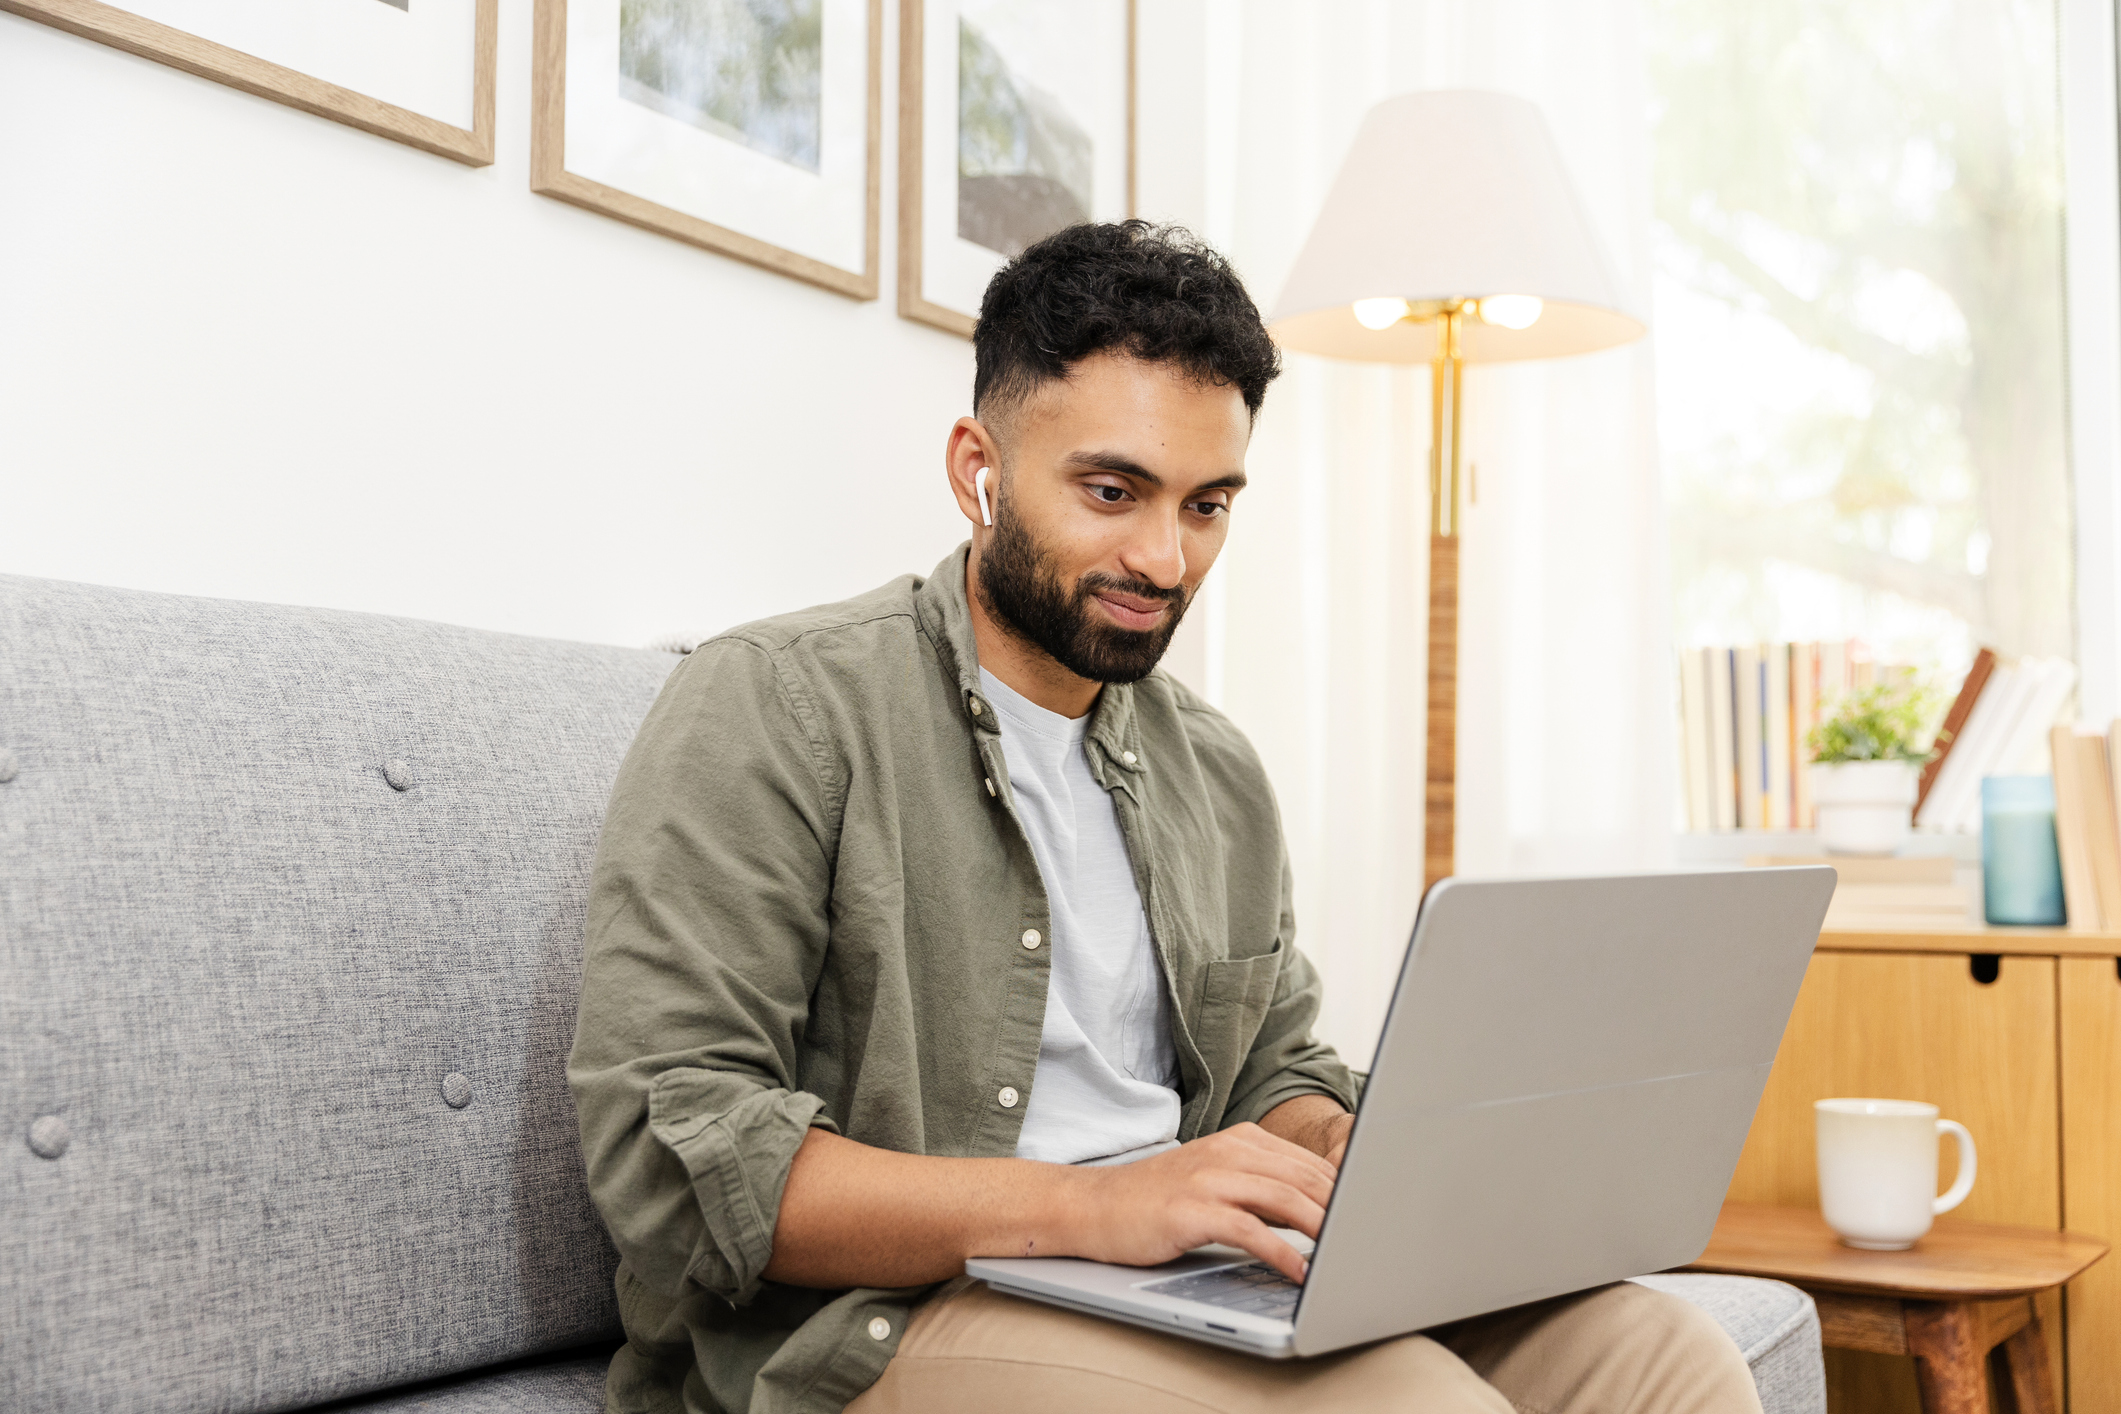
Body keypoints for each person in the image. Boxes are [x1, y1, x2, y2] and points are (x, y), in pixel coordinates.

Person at [568, 221, 1761, 1414]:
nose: (1164, 557)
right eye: (1111, 490)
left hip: (1180, 1278)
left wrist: (1346, 1155)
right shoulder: (778, 703)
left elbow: (1273, 1068)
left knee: (1667, 1362)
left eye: (1208, 505)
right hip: (889, 1324)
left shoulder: (1217, 770)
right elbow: (675, 1151)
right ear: (976, 467)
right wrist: (1095, 1206)